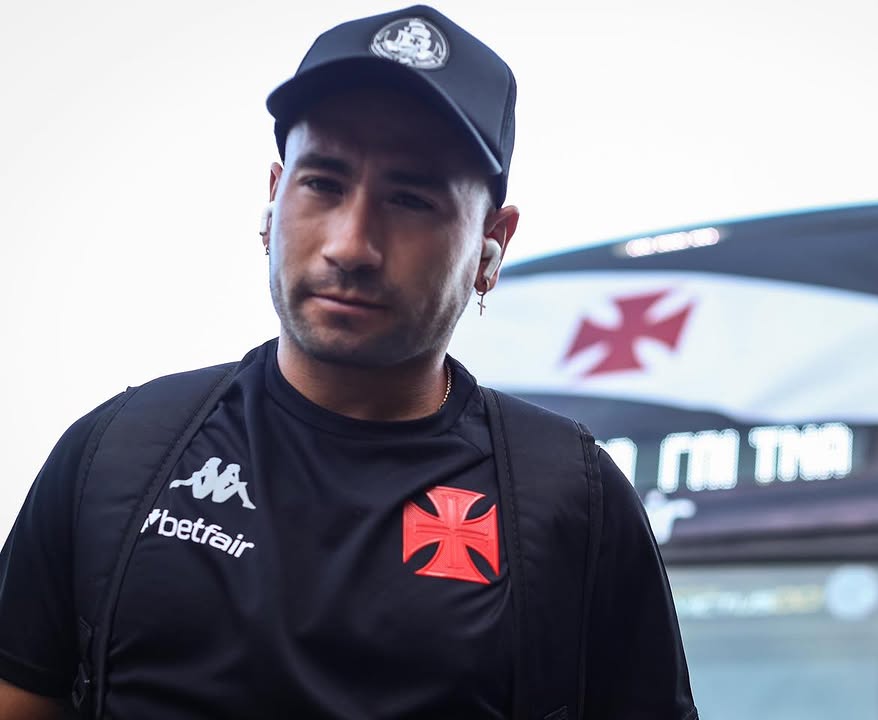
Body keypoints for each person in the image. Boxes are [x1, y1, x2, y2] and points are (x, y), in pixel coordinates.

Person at [0, 5, 697, 719]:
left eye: (411, 199)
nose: (351, 245)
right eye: (323, 184)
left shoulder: (572, 502)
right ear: (274, 197)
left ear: (492, 245)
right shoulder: (119, 453)